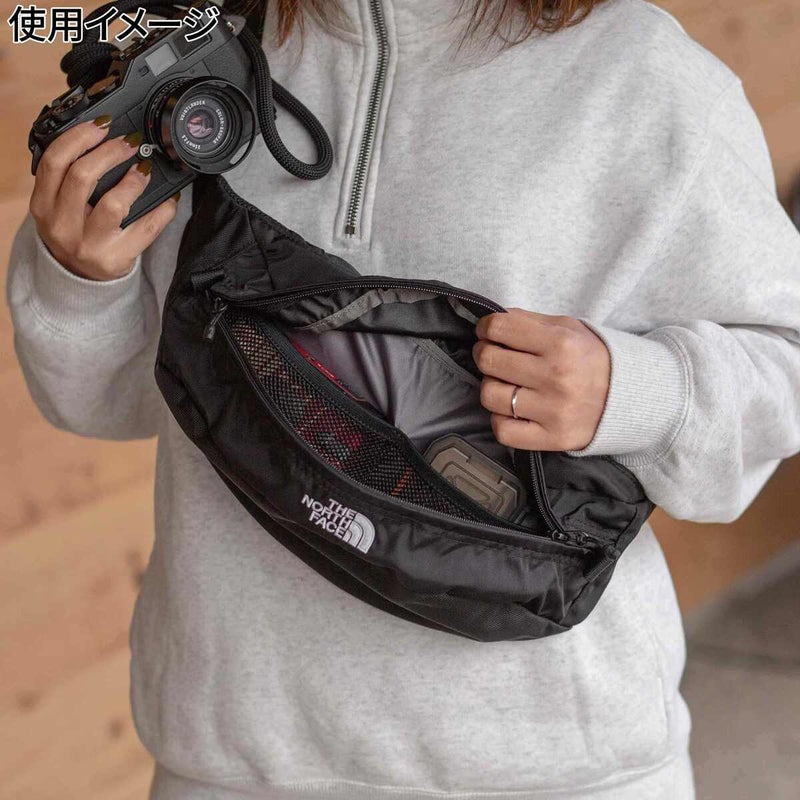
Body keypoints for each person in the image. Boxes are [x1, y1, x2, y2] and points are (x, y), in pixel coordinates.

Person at [7, 0, 800, 797]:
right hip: (233, 764)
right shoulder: (189, 57)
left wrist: (633, 390)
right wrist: (79, 279)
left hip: (559, 772)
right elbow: (107, 403)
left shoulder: (641, 74)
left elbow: (786, 364)